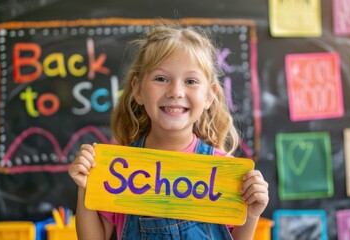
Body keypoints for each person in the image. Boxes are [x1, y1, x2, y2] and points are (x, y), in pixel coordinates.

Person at [68, 23, 269, 240]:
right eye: (161, 79)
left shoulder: (223, 173)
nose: (176, 91)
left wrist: (251, 214)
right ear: (137, 90)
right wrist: (85, 188)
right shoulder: (120, 168)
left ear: (209, 96)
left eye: (191, 81)